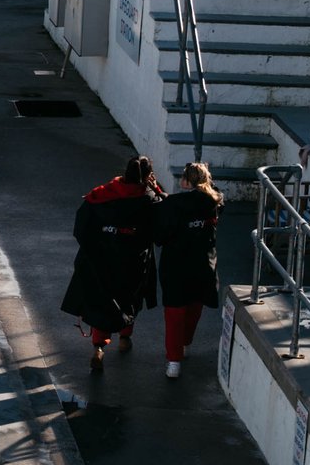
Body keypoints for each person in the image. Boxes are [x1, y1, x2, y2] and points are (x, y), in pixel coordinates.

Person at [62, 156, 163, 369]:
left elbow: (81, 227)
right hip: (134, 261)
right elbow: (162, 225)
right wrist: (157, 190)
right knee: (130, 299)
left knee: (104, 301)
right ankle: (125, 338)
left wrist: (95, 246)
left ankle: (99, 347)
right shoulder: (150, 199)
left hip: (102, 258)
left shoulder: (102, 194)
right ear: (147, 176)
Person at [156, 161, 223, 380]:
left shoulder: (173, 204)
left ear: (185, 180)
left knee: (174, 314)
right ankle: (185, 344)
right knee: (194, 309)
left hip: (175, 266)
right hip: (203, 265)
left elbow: (161, 235)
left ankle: (174, 361)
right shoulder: (213, 202)